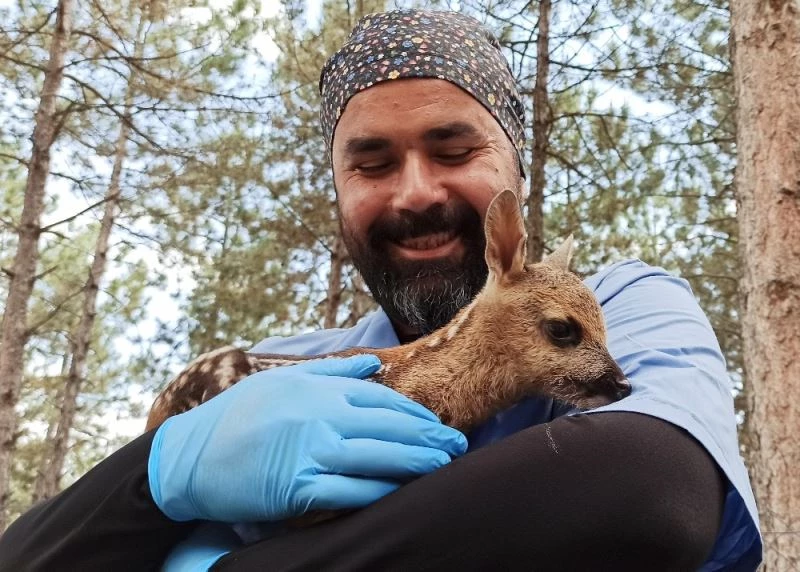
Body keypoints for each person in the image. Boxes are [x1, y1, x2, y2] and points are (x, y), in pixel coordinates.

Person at [0, 9, 761, 571]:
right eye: (371, 164)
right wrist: (156, 475)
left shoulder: (616, 303)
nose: (415, 193)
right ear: (336, 191)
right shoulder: (267, 371)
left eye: (454, 148)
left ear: (514, 188)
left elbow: (652, 490)